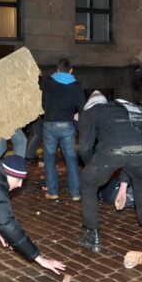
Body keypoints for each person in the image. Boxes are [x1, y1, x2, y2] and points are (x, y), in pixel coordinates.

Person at [77, 91, 142, 252]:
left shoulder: (88, 113)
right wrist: (123, 188)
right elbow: (128, 152)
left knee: (87, 184)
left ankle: (93, 235)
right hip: (140, 147)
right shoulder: (122, 108)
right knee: (141, 184)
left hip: (112, 149)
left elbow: (85, 148)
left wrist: (91, 167)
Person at [41, 58, 85, 201]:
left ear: (58, 69)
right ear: (71, 70)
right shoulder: (76, 85)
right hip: (67, 124)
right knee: (71, 159)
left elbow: (43, 103)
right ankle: (76, 193)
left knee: (49, 158)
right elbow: (82, 108)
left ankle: (53, 192)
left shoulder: (48, 82)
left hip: (50, 123)